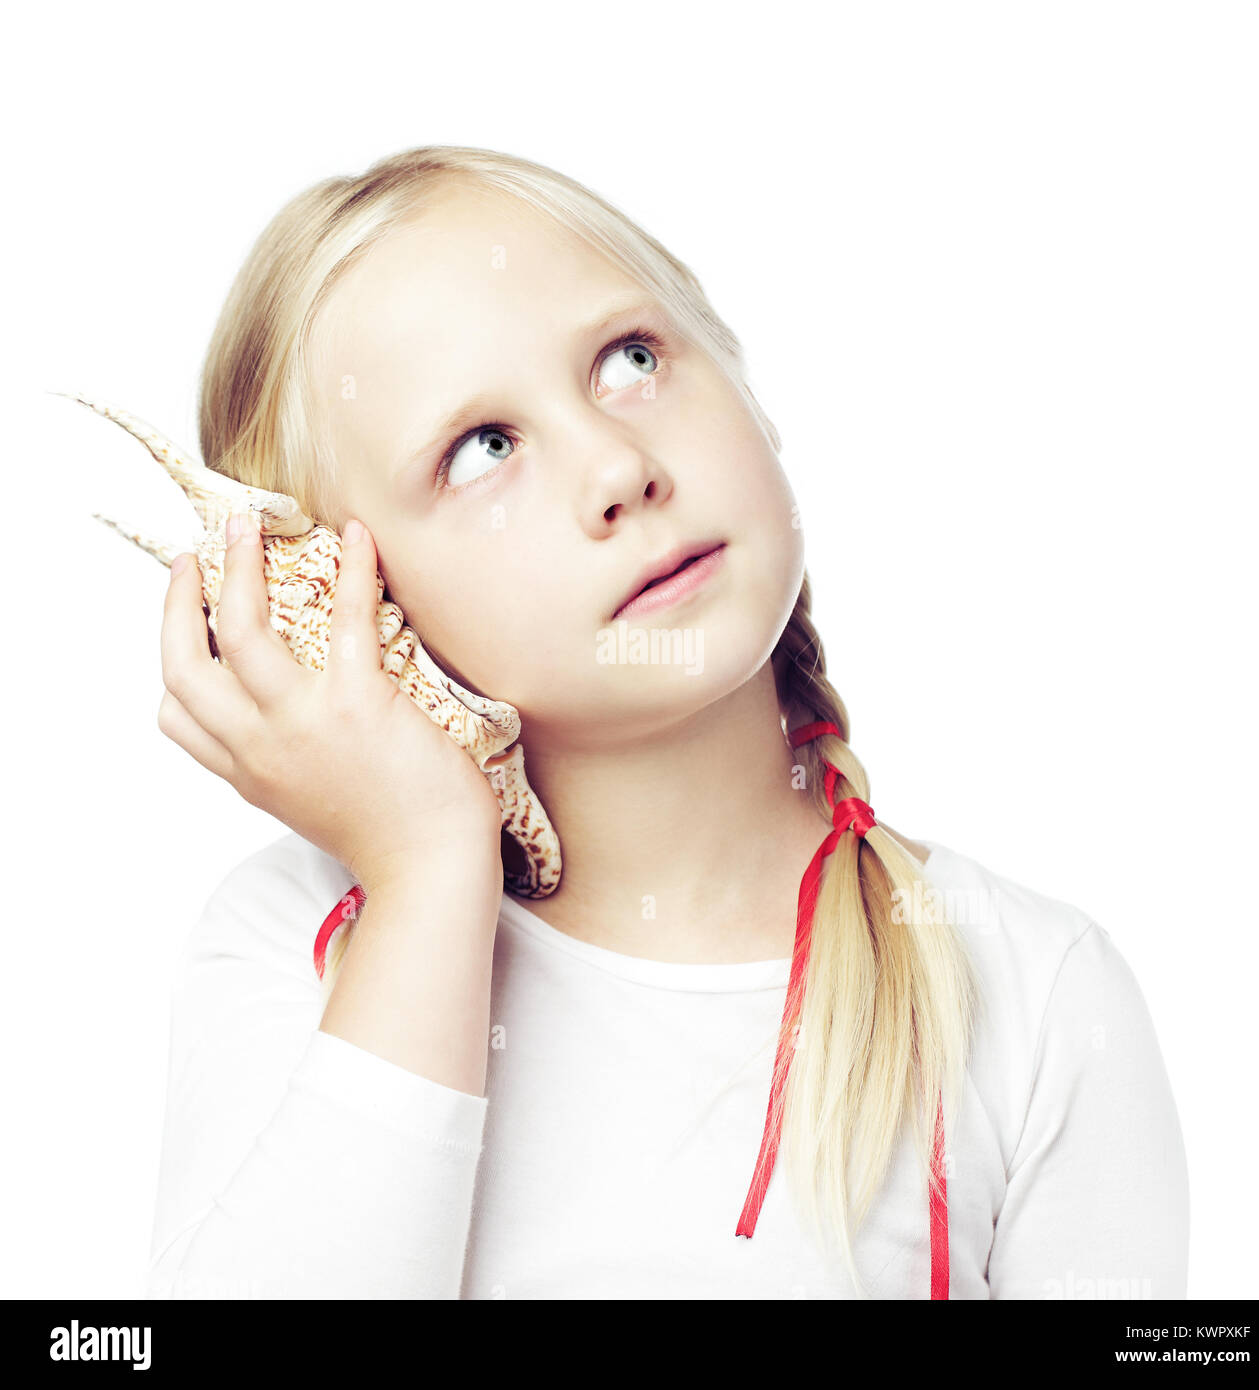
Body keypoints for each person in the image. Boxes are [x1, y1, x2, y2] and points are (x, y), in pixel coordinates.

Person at [147, 145, 1188, 1299]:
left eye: (630, 359)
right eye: (482, 448)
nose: (616, 464)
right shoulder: (298, 942)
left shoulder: (1033, 995)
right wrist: (430, 871)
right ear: (345, 606)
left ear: (744, 384)